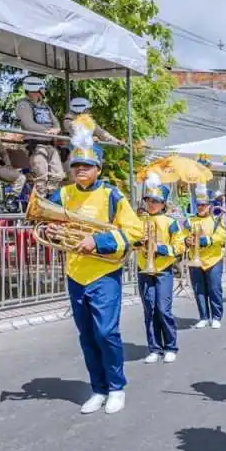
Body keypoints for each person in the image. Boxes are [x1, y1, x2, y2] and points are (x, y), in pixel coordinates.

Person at [48, 117, 144, 415]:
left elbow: (135, 231)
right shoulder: (63, 194)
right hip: (75, 273)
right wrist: (51, 230)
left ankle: (116, 387)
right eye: (76, 166)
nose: (80, 171)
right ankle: (98, 388)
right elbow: (48, 221)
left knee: (106, 333)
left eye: (86, 166)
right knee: (87, 335)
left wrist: (98, 242)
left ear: (98, 169)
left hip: (104, 272)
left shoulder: (111, 194)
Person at [136, 177, 186, 364]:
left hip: (163, 269)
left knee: (163, 309)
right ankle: (154, 348)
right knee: (149, 309)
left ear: (163, 203)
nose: (151, 204)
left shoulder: (170, 222)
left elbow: (180, 247)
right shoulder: (140, 220)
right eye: (149, 200)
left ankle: (171, 346)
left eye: (155, 201)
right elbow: (131, 240)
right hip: (144, 268)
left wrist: (160, 248)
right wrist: (138, 242)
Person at [185, 186, 226, 329]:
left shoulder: (216, 219)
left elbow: (222, 236)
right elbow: (182, 236)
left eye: (204, 205)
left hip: (213, 259)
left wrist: (207, 240)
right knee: (199, 289)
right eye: (199, 205)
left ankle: (216, 316)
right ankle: (203, 316)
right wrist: (186, 240)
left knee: (214, 288)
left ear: (209, 205)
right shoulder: (189, 220)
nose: (201, 207)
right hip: (195, 259)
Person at [15, 76, 64, 196]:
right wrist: (48, 131)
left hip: (50, 145)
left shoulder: (45, 106)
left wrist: (56, 129)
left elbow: (56, 122)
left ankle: (50, 198)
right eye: (43, 88)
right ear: (36, 89)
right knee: (41, 176)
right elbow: (28, 125)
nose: (44, 91)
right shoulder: (23, 104)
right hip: (35, 145)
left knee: (58, 174)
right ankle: (41, 202)